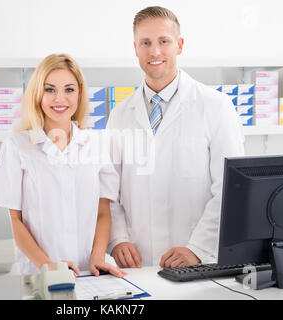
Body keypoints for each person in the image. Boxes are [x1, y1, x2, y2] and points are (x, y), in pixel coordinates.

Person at [106, 6, 245, 269]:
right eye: (145, 42)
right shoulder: (120, 115)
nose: (155, 51)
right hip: (138, 263)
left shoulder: (216, 106)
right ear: (135, 48)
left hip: (198, 261)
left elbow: (231, 188)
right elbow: (109, 190)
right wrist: (118, 240)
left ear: (179, 45)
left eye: (164, 41)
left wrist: (198, 248)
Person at [0, 53, 126, 278]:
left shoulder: (96, 144)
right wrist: (48, 266)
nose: (60, 99)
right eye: (50, 89)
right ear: (38, 93)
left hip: (87, 273)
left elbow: (102, 212)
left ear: (80, 93)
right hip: (37, 274)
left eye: (69, 89)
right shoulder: (17, 146)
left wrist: (98, 257)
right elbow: (13, 220)